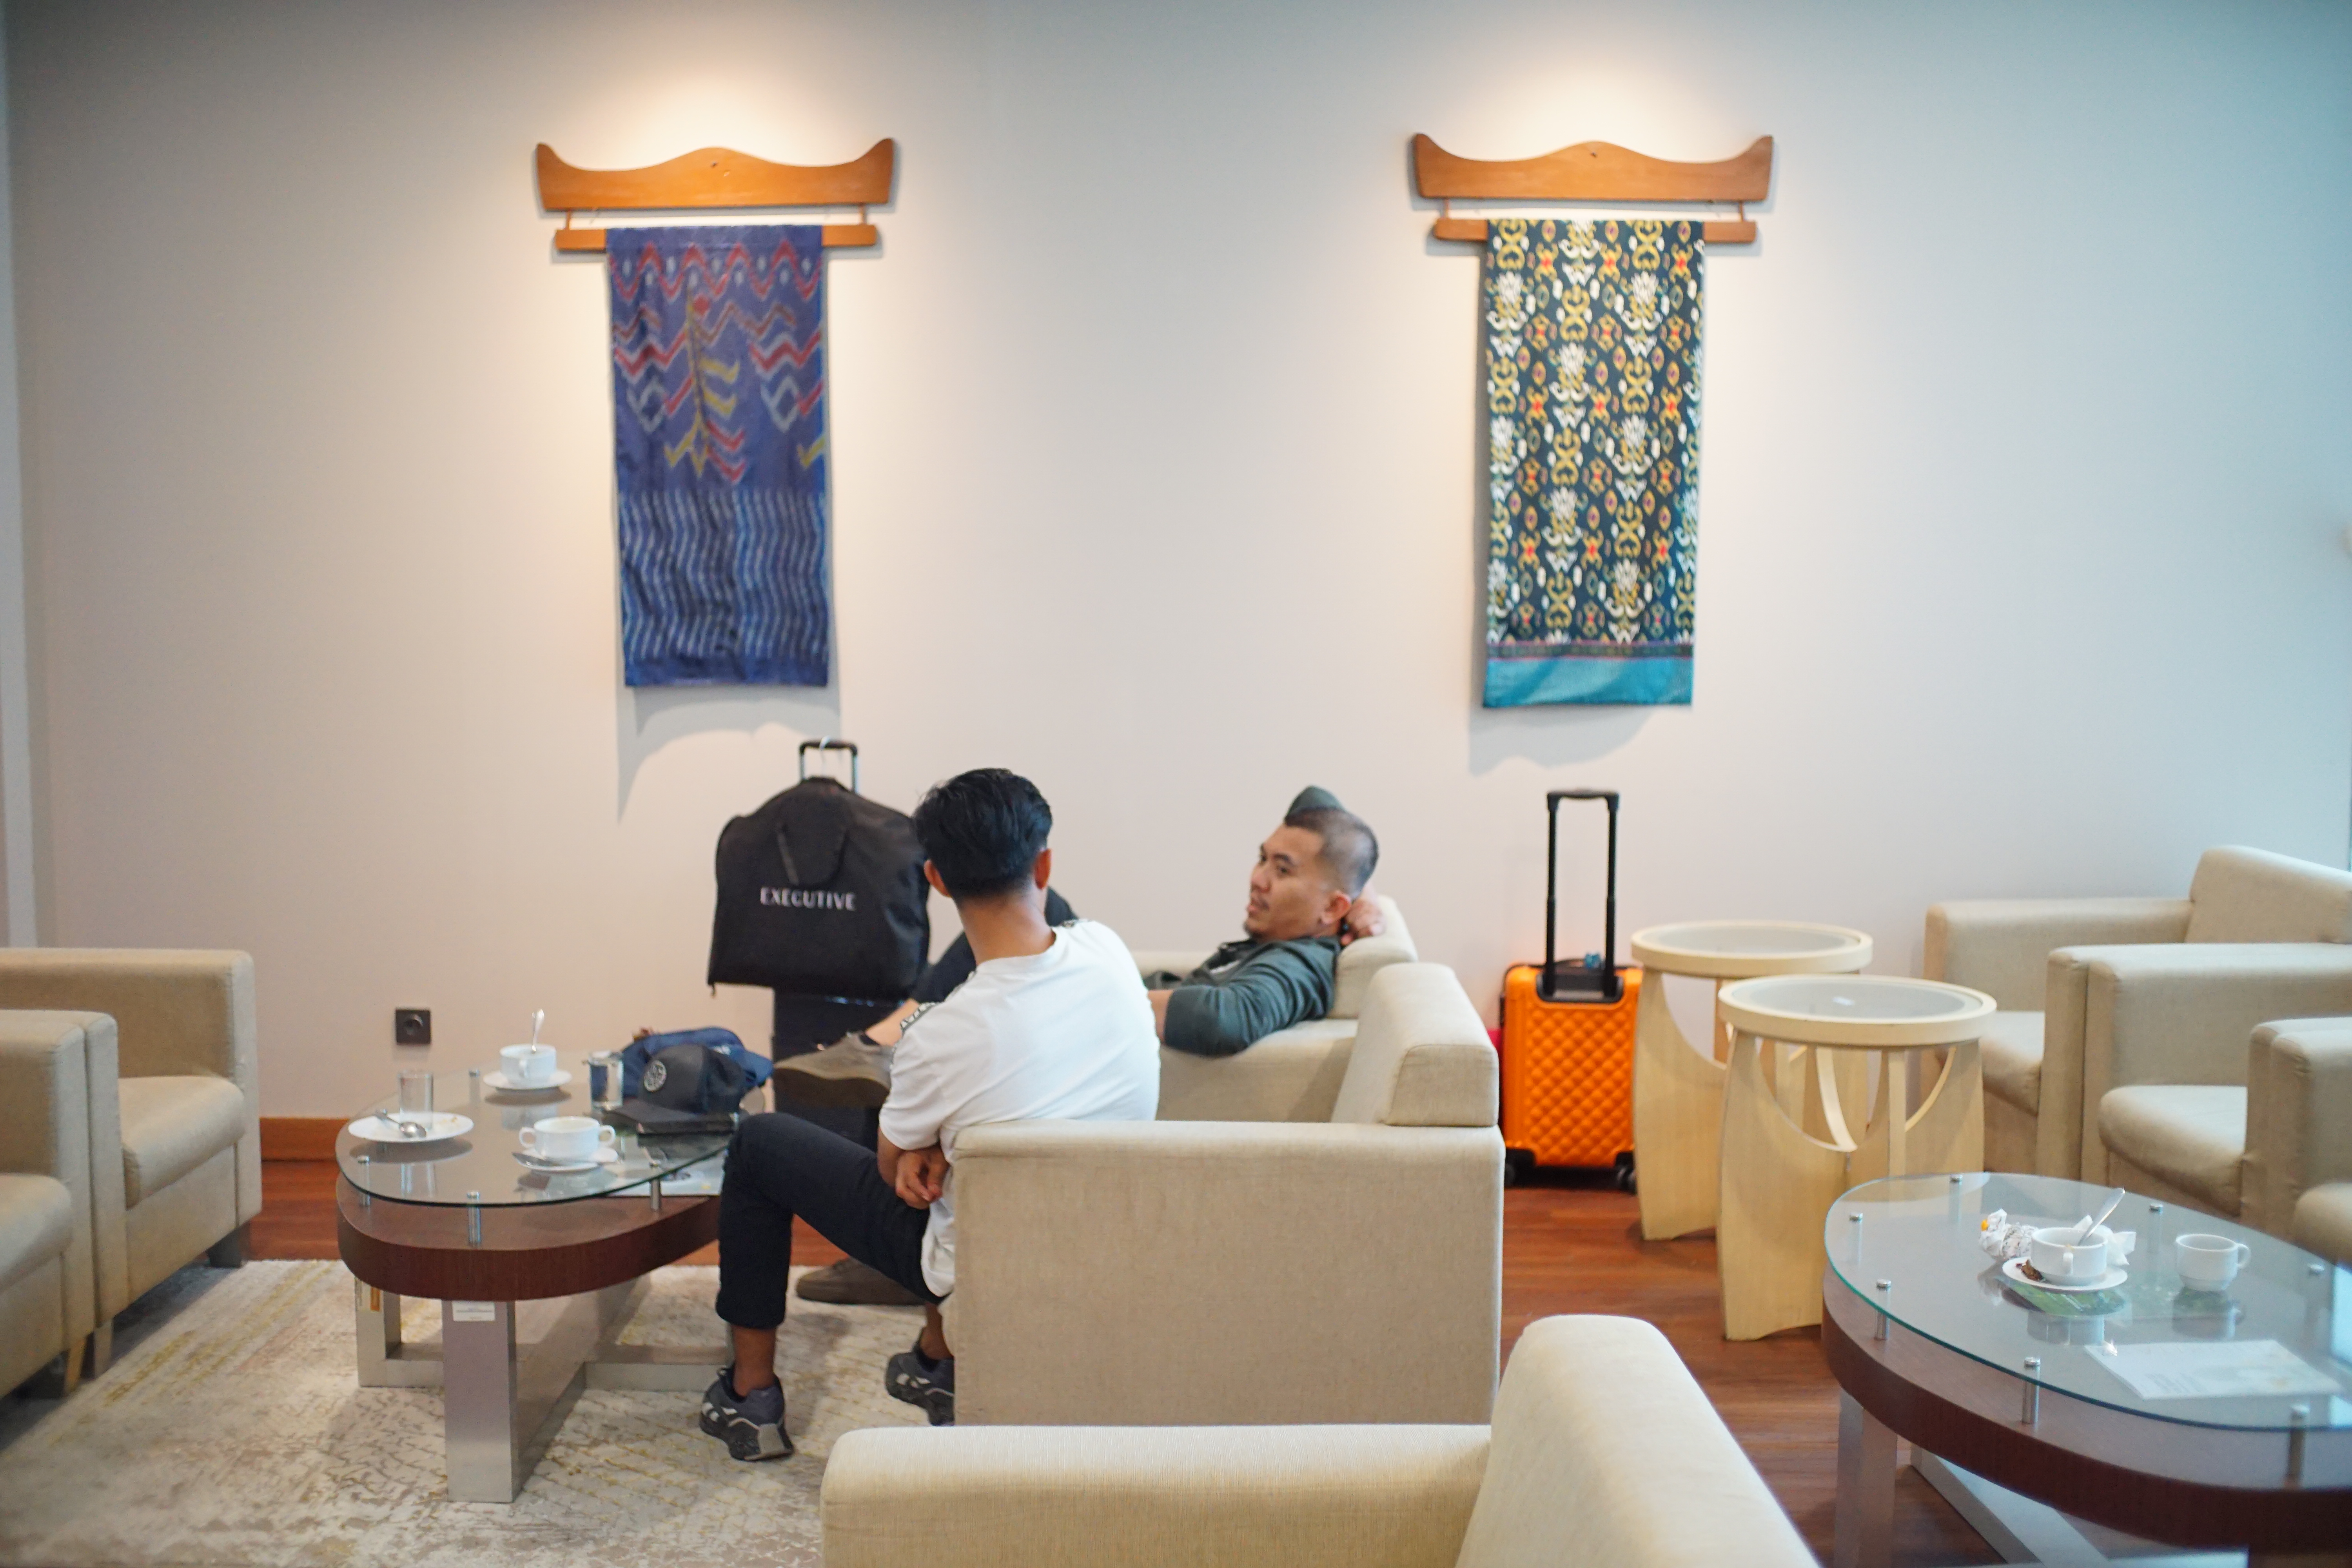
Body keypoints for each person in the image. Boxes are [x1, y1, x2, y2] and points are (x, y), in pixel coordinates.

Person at [699, 768, 1158, 1459]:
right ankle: (935, 1364)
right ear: (1044, 866)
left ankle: (750, 1398)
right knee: (949, 1147)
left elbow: (896, 1175)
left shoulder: (941, 1036)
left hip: (981, 1256)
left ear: (937, 881)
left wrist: (929, 1143)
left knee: (760, 1143)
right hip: (1108, 1235)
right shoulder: (1108, 949)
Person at [774, 786, 1382, 1100]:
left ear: (1332, 907)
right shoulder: (1321, 926)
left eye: (1283, 869)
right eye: (1262, 858)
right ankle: (885, 1045)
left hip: (1103, 1041)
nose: (1258, 879)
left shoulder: (1301, 965)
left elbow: (1229, 1017)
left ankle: (884, 1047)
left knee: (1011, 903)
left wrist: (1092, 992)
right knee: (1018, 901)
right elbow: (1317, 802)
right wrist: (1364, 895)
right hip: (1111, 1018)